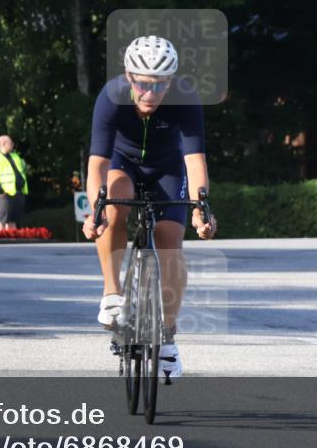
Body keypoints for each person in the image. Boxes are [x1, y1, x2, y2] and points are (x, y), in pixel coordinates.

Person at [82, 35, 217, 380]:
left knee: (171, 241)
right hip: (122, 163)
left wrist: (201, 209)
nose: (151, 94)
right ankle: (112, 293)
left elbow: (195, 161)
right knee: (114, 205)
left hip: (168, 168)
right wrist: (95, 211)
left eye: (160, 85)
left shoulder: (185, 97)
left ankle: (167, 336)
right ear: (129, 77)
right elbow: (97, 164)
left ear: (170, 82)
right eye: (143, 84)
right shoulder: (112, 96)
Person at [0, 135, 28, 230]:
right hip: (4, 194)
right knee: (2, 219)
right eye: (10, 143)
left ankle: (12, 238)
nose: (12, 145)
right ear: (3, 144)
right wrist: (0, 190)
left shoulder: (15, 156)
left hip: (18, 192)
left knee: (13, 220)